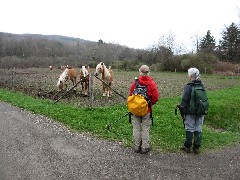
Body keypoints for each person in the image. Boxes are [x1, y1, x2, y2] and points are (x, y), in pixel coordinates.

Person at [128, 65, 159, 154]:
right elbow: (155, 97)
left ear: (140, 72)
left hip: (135, 110)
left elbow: (130, 95)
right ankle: (144, 147)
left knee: (136, 128)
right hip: (147, 110)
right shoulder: (152, 83)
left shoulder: (135, 83)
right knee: (145, 128)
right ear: (148, 73)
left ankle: (137, 147)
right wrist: (149, 104)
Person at [180, 67, 205, 154]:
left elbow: (184, 100)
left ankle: (187, 146)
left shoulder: (189, 86)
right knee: (198, 128)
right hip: (201, 111)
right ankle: (197, 147)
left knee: (189, 128)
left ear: (190, 76)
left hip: (190, 111)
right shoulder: (201, 85)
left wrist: (182, 111)